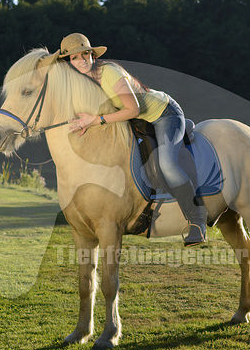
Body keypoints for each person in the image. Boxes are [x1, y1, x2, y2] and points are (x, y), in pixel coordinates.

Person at [57, 33, 206, 246]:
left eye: (85, 54)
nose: (81, 60)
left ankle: (196, 219)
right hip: (137, 121)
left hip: (163, 114)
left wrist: (95, 120)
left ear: (92, 54)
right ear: (70, 62)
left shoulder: (108, 73)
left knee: (167, 164)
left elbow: (133, 108)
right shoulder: (85, 81)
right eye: (74, 58)